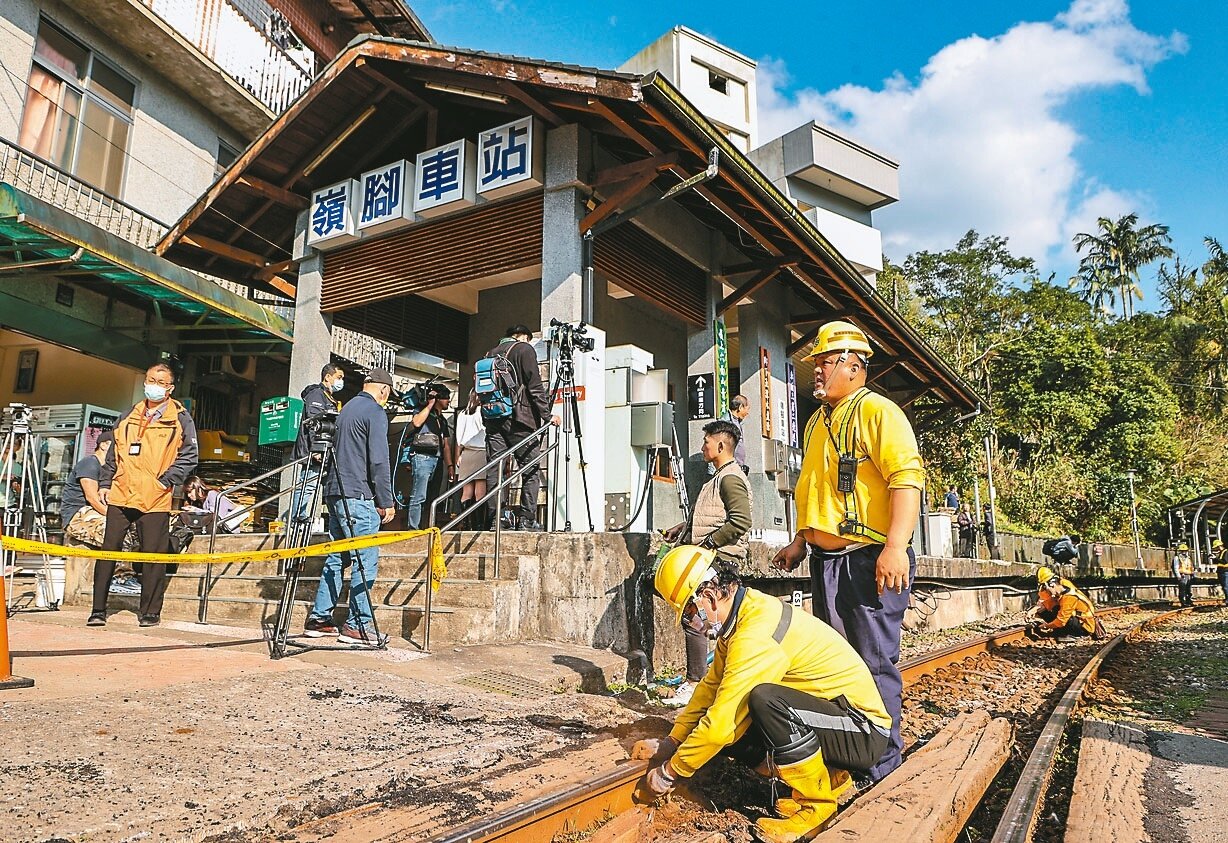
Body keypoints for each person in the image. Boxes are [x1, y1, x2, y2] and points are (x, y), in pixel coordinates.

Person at [635, 546, 892, 842]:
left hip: (862, 729)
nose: (692, 621)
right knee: (734, 710)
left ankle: (817, 807)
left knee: (763, 702)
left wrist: (670, 772)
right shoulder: (742, 616)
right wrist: (674, 740)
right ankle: (829, 777)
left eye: (690, 611)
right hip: (836, 718)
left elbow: (720, 727)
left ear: (707, 594)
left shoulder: (755, 634)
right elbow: (711, 688)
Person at [769, 320, 923, 784]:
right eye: (815, 362)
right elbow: (816, 489)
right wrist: (802, 540)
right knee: (840, 664)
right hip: (828, 561)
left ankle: (883, 764)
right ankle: (853, 753)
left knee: (873, 662)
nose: (815, 370)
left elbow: (906, 479)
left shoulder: (879, 412)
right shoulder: (819, 421)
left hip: (867, 558)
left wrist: (895, 546)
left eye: (824, 362)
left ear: (854, 366)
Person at [92, 363, 198, 628]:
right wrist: (105, 483)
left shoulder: (180, 417)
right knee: (108, 552)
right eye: (150, 379)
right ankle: (97, 610)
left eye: (161, 382)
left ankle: (150, 611)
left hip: (155, 496)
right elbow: (113, 453)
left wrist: (166, 482)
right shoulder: (129, 414)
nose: (154, 385)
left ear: (170, 388)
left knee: (153, 556)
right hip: (121, 492)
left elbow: (190, 456)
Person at [660, 419, 752, 708]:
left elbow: (740, 521)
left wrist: (708, 545)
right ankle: (719, 684)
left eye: (707, 442)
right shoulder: (719, 477)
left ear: (721, 445)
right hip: (715, 557)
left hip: (719, 560)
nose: (703, 448)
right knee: (719, 624)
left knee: (695, 618)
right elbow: (711, 517)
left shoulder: (730, 477)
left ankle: (694, 684)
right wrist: (683, 528)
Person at [303, 368, 397, 646]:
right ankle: (357, 626)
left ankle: (320, 619)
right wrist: (386, 500)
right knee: (364, 560)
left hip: (335, 491)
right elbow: (379, 460)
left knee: (337, 558)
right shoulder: (375, 412)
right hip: (358, 494)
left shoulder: (344, 410)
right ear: (384, 390)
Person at [481, 325, 558, 531]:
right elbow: (535, 386)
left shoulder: (490, 353)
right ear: (523, 336)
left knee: (495, 470)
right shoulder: (524, 349)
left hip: (493, 418)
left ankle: (497, 519)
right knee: (531, 469)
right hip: (520, 420)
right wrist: (548, 416)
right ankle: (526, 519)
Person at [290, 362, 344, 523]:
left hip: (326, 450)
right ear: (328, 377)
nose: (341, 381)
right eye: (339, 377)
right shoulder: (316, 395)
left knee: (321, 485)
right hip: (315, 450)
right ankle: (298, 516)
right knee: (308, 484)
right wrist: (317, 450)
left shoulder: (329, 398)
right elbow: (315, 423)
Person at [403, 383, 454, 530]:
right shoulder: (421, 411)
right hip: (422, 457)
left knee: (433, 497)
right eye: (446, 398)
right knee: (419, 495)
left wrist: (449, 466)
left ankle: (427, 526)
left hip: (437, 460)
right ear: (438, 398)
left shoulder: (442, 420)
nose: (448, 401)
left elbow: (446, 445)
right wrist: (430, 404)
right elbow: (416, 422)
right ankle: (413, 527)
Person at [61, 430, 113, 548]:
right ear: (103, 445)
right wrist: (112, 516)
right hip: (77, 514)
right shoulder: (90, 463)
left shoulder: (109, 468)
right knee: (114, 532)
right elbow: (92, 498)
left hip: (95, 512)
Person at [1025, 567, 1097, 637]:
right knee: (1044, 610)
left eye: (1045, 588)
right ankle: (1060, 632)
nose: (1046, 591)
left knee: (1061, 614)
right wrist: (1033, 611)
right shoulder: (1061, 588)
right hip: (1077, 621)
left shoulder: (1069, 598)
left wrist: (1046, 626)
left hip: (1084, 628)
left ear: (1052, 585)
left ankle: (1069, 635)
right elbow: (1050, 602)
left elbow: (1061, 621)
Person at [454, 390, 487, 530]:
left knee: (466, 492)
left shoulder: (463, 414)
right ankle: (479, 525)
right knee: (480, 492)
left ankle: (466, 524)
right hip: (481, 452)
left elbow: (458, 439)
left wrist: (458, 456)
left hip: (466, 453)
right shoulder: (484, 412)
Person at [720, 394, 751, 472]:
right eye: (747, 409)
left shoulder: (738, 422)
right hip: (728, 468)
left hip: (736, 467)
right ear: (740, 407)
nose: (747, 413)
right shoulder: (726, 422)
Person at [1172, 543, 1194, 607]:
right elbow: (1176, 567)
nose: (1184, 552)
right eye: (1182, 551)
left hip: (1188, 575)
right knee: (1182, 589)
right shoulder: (1177, 558)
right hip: (1182, 575)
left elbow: (1190, 566)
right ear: (1180, 551)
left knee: (1188, 589)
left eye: (1185, 551)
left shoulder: (1188, 558)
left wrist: (1192, 574)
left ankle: (1188, 601)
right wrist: (1178, 576)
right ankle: (1183, 602)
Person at [1212, 539, 1228, 607]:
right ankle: (1227, 599)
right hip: (1221, 572)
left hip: (1225, 571)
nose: (1215, 549)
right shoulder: (1221, 553)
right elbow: (1219, 562)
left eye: (1216, 547)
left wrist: (1215, 558)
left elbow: (1224, 561)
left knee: (1226, 587)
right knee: (1224, 587)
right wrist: (1214, 558)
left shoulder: (1226, 552)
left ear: (1219, 546)